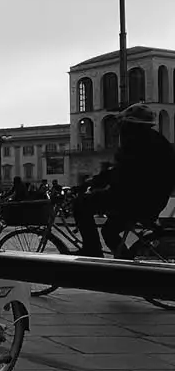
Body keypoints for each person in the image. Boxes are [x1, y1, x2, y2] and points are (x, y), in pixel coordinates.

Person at [72, 103, 175, 258]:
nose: (121, 129)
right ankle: (125, 265)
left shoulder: (138, 143)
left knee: (81, 204)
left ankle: (92, 250)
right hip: (150, 201)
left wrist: (91, 183)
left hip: (135, 201)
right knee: (109, 231)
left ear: (133, 125)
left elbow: (122, 173)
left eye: (124, 125)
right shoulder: (155, 140)